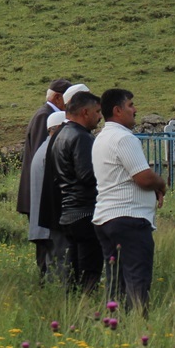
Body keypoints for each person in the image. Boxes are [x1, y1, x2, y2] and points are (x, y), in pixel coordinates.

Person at [93, 88, 167, 313]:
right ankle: (137, 323)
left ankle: (114, 323)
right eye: (130, 105)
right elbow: (143, 178)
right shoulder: (124, 138)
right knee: (137, 279)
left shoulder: (101, 138)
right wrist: (161, 184)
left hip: (106, 218)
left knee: (116, 282)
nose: (135, 110)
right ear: (117, 110)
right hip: (129, 218)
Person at [50, 90, 104, 292]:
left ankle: (72, 305)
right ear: (85, 112)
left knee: (73, 270)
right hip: (85, 211)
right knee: (89, 270)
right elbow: (87, 175)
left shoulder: (61, 134)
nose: (100, 117)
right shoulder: (82, 137)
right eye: (97, 112)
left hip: (68, 211)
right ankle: (87, 305)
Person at [16, 78, 70, 276]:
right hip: (40, 194)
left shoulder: (47, 114)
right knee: (47, 245)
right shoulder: (45, 117)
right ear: (57, 98)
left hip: (42, 195)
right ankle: (45, 283)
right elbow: (45, 156)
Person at [28, 110, 68, 283]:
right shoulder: (51, 150)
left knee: (52, 267)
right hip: (51, 224)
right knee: (59, 269)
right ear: (58, 128)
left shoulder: (44, 148)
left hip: (43, 223)